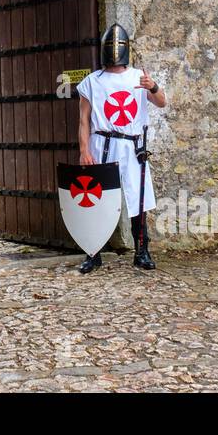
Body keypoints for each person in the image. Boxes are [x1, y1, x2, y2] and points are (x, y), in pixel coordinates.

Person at [75, 22, 166, 274]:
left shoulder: (140, 78)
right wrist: (84, 150)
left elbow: (162, 102)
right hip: (102, 145)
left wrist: (153, 87)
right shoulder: (91, 82)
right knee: (96, 199)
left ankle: (142, 251)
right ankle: (93, 253)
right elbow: (83, 120)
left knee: (138, 200)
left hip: (132, 147)